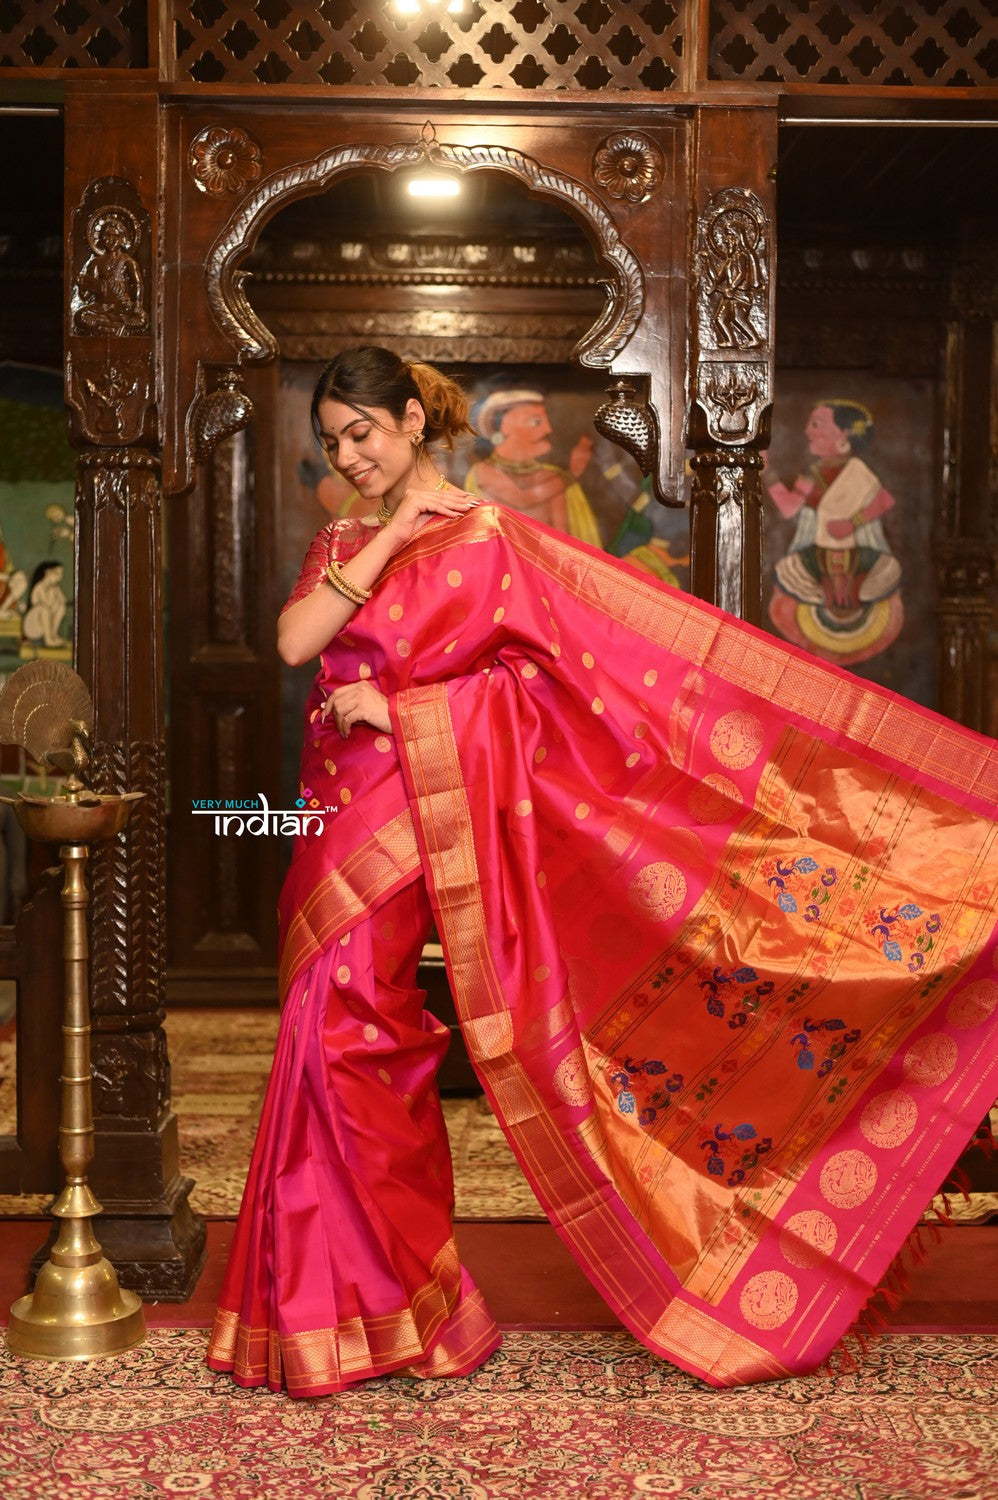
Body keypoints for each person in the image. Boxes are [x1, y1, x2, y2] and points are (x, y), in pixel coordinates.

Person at [207, 346, 998, 1398]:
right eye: (333, 443)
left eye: (364, 434)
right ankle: (350, 1306)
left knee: (359, 1031)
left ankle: (384, 1301)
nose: (349, 457)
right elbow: (293, 641)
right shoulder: (347, 540)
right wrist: (390, 529)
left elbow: (536, 692)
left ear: (410, 421)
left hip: (420, 805)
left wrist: (401, 711)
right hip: (333, 814)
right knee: (325, 1030)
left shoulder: (488, 538)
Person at [765, 400, 904, 664]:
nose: (808, 430)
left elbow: (884, 500)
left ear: (844, 435)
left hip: (855, 554)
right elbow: (790, 508)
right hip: (819, 552)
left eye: (817, 424)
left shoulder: (857, 471)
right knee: (789, 576)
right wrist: (767, 472)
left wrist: (853, 522)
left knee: (883, 576)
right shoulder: (812, 473)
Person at [464, 388, 603, 545]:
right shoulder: (482, 472)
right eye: (536, 422)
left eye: (546, 421)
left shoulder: (553, 476)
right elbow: (521, 499)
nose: (547, 429)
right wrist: (572, 475)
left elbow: (564, 540)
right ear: (505, 426)